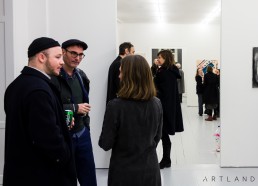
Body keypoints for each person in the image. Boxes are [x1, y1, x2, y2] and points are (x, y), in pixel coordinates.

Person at [3, 37, 77, 186]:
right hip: (40, 175)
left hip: (21, 172)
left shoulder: (16, 85)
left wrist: (60, 122)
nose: (62, 62)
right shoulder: (38, 90)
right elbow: (47, 139)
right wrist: (65, 156)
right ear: (42, 57)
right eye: (57, 57)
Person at [99, 55, 163, 186]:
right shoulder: (157, 103)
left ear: (129, 76)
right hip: (150, 170)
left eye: (121, 71)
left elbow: (105, 143)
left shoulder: (115, 106)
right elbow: (157, 137)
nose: (119, 76)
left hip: (123, 173)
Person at [51, 39, 97, 186]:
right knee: (65, 178)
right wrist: (74, 108)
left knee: (88, 177)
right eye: (73, 53)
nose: (77, 58)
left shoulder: (81, 76)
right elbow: (50, 107)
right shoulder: (53, 77)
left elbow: (86, 103)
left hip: (82, 133)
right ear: (63, 52)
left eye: (81, 55)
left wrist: (86, 127)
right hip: (64, 136)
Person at [153, 49, 184, 169]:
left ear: (166, 58)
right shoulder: (169, 71)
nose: (158, 59)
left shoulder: (164, 73)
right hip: (167, 107)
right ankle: (166, 159)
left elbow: (162, 92)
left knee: (160, 135)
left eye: (160, 57)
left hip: (163, 108)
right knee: (162, 135)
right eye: (158, 57)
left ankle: (164, 160)